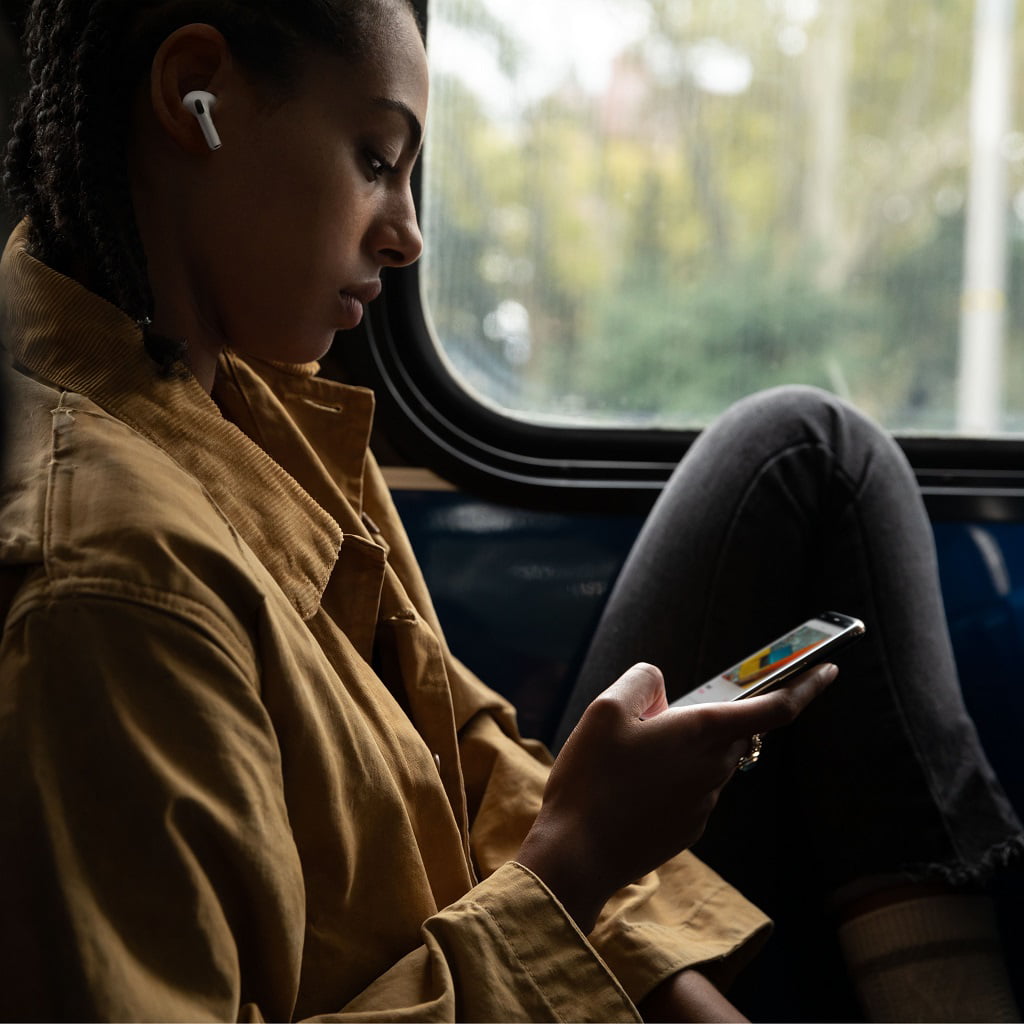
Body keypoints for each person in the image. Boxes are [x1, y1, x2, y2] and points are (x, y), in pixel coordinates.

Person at [0, 2, 1019, 1022]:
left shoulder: (239, 387)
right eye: (374, 158)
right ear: (196, 96)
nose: (406, 234)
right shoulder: (109, 590)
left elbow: (460, 748)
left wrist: (672, 985)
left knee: (806, 457)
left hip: (501, 932)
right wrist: (572, 870)